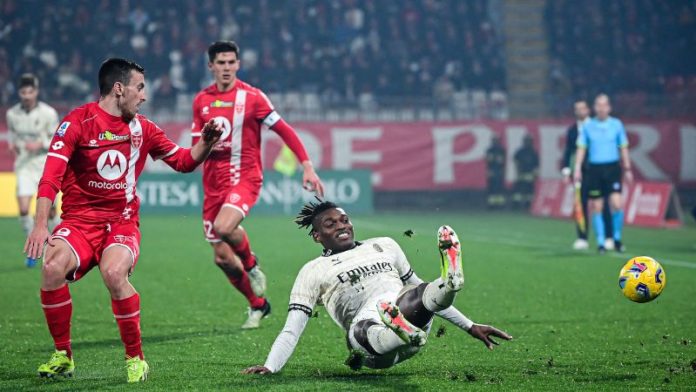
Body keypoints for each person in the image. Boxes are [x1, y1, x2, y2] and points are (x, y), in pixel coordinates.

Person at [24, 58, 223, 382]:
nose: (143, 96)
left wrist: (206, 143)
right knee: (50, 268)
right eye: (139, 87)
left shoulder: (143, 129)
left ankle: (135, 358)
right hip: (79, 222)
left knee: (114, 272)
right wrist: (40, 224)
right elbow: (50, 177)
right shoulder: (76, 122)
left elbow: (184, 162)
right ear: (119, 88)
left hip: (121, 222)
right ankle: (63, 355)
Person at [242, 199, 512, 374]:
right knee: (364, 327)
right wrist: (270, 366)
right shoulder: (312, 271)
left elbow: (420, 289)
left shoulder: (384, 245)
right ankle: (405, 331)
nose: (341, 226)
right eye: (330, 224)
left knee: (419, 292)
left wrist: (470, 325)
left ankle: (450, 284)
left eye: (344, 220)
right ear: (317, 236)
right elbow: (293, 328)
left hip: (405, 313)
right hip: (370, 343)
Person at [191, 41, 324, 329]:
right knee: (223, 259)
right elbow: (196, 147)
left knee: (225, 227)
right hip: (213, 183)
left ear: (238, 64)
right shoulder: (201, 100)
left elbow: (284, 130)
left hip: (245, 177)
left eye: (231, 62)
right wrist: (205, 142)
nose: (226, 68)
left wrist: (307, 166)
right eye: (221, 63)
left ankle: (251, 264)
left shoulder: (253, 98)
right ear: (211, 66)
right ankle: (258, 305)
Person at [6, 74, 61, 267]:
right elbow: (12, 136)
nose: (27, 96)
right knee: (23, 209)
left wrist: (40, 143)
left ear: (36, 92)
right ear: (19, 93)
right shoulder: (12, 114)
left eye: (30, 92)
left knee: (52, 212)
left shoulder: (49, 113)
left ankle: (58, 246)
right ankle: (34, 248)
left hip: (45, 165)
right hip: (23, 165)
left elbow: (57, 139)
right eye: (23, 92)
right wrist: (14, 145)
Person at [573, 94, 632, 254]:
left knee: (617, 204)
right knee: (597, 206)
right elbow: (581, 147)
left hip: (612, 168)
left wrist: (627, 168)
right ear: (594, 108)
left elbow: (623, 146)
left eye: (604, 105)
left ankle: (616, 239)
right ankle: (601, 243)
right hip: (595, 170)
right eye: (598, 105)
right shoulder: (588, 126)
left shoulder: (616, 124)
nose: (601, 108)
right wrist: (577, 168)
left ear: (609, 107)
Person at [560, 100, 613, 250]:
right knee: (580, 204)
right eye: (577, 109)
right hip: (581, 173)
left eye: (582, 108)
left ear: (588, 110)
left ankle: (607, 237)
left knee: (602, 204)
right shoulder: (572, 130)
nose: (580, 111)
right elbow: (569, 151)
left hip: (598, 171)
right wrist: (566, 170)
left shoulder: (597, 127)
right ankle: (582, 237)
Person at [512, 135, 538, 209]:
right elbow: (515, 160)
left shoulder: (533, 152)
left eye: (529, 141)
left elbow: (536, 165)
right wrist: (517, 171)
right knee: (518, 189)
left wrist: (535, 174)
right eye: (526, 141)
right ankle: (516, 205)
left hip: (529, 174)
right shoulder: (520, 151)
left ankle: (528, 204)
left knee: (529, 190)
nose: (528, 143)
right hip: (521, 173)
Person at [485, 136, 506, 209]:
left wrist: (501, 170)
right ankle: (491, 204)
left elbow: (502, 161)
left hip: (499, 170)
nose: (495, 142)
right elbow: (488, 161)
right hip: (492, 170)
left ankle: (500, 204)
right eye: (494, 140)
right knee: (492, 188)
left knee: (499, 188)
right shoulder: (489, 150)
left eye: (496, 140)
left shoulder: (501, 150)